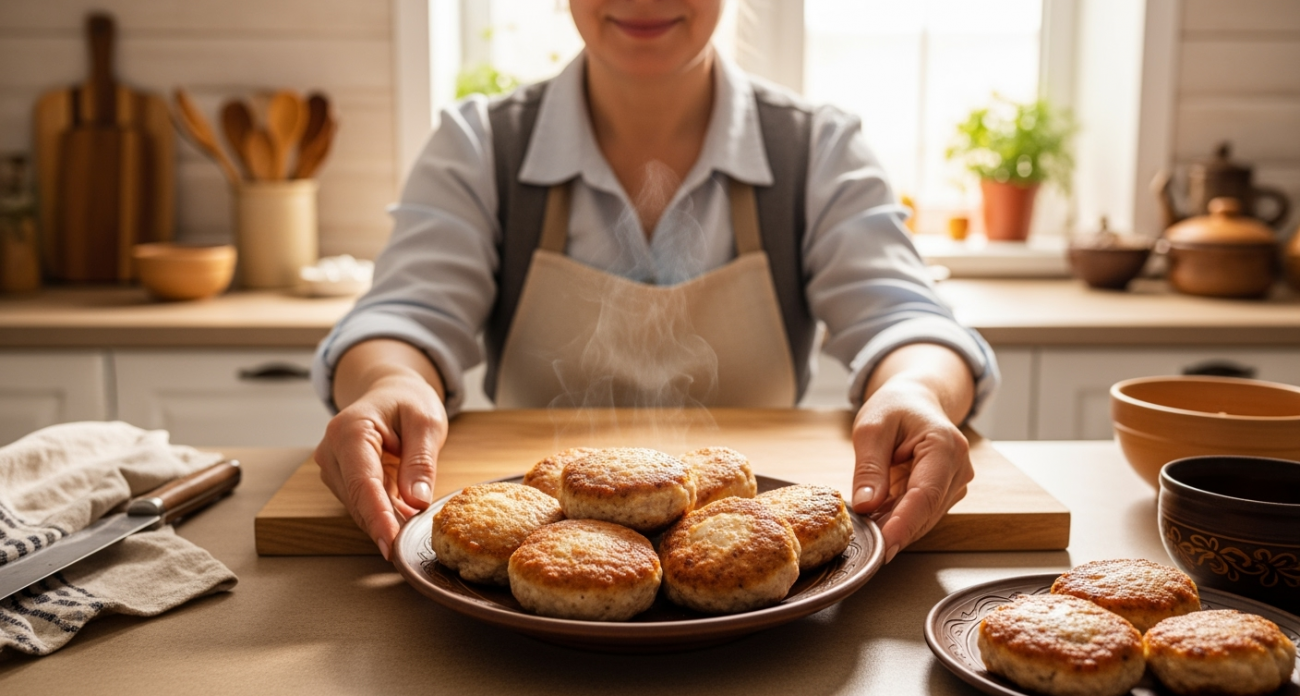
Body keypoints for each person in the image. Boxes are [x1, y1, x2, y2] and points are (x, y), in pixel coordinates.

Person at [311, 0, 999, 563]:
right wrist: (391, 383)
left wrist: (915, 388)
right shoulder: (480, 145)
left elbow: (906, 319)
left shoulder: (816, 149)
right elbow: (405, 314)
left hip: (742, 547)